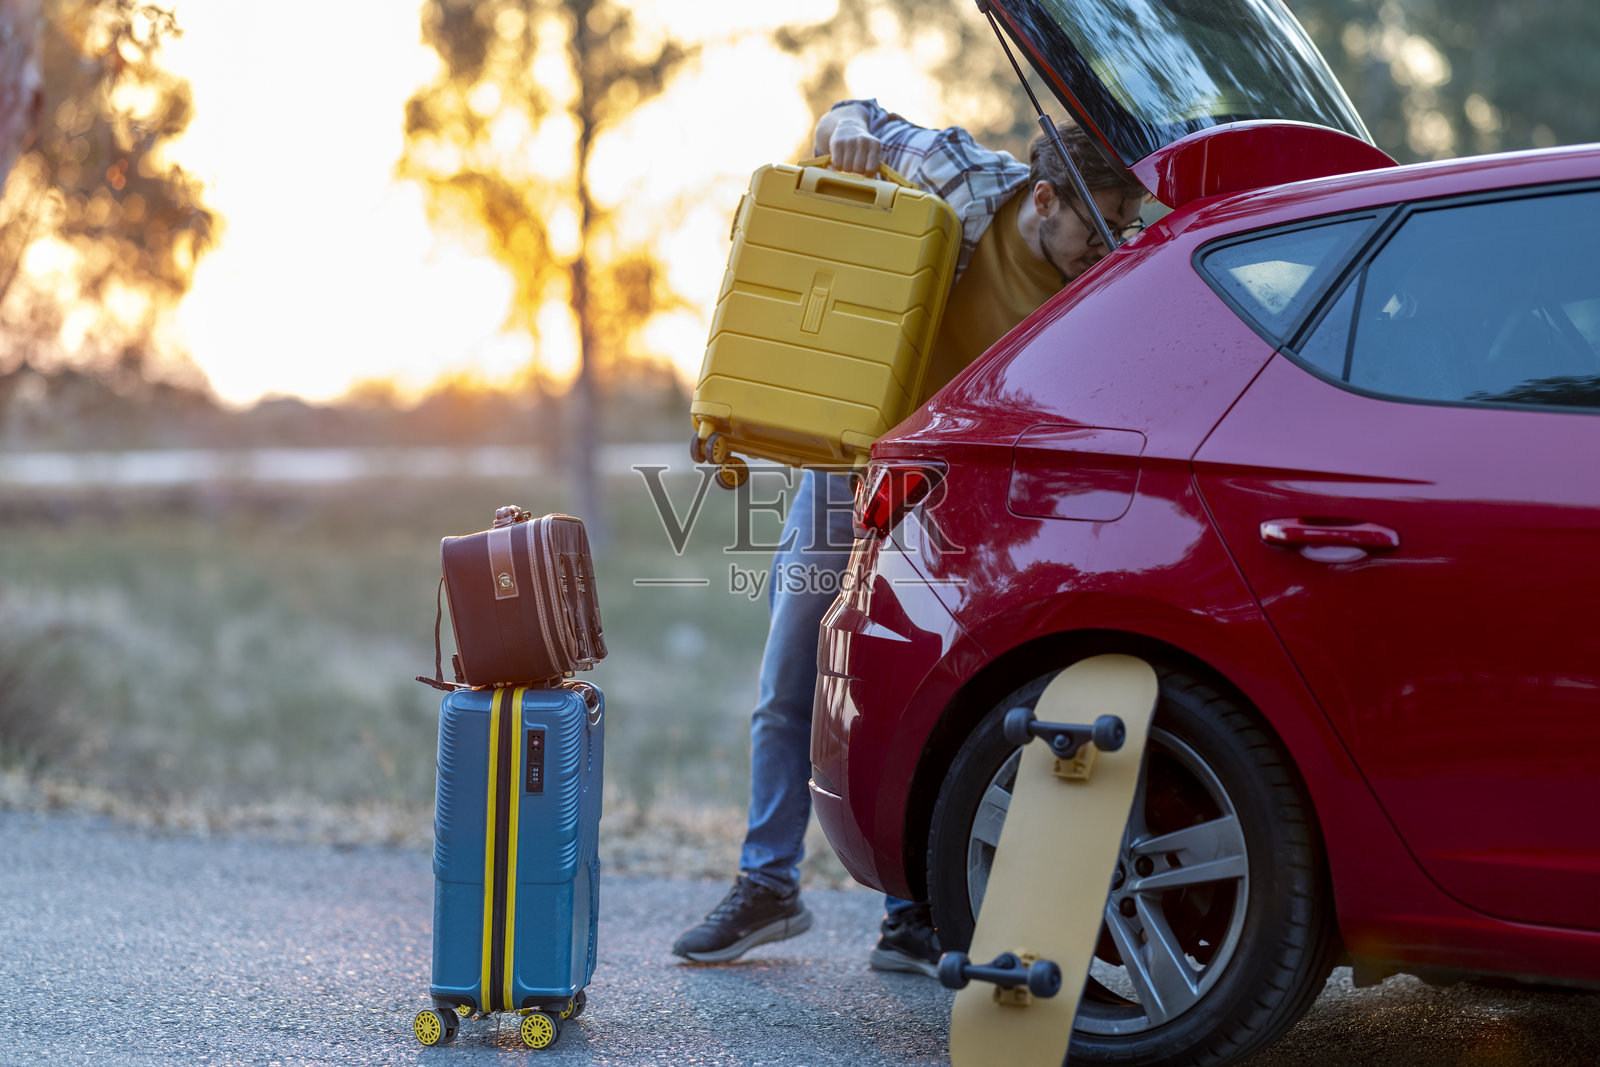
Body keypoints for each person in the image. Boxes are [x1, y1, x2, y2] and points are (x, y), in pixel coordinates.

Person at [671, 99, 1147, 974]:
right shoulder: (968, 183)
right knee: (791, 677)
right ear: (1043, 199)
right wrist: (837, 134)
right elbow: (853, 117)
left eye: (1124, 224)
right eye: (1098, 224)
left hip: (945, 498)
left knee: (921, 689)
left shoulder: (1106, 289)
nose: (1109, 245)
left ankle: (910, 916)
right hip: (851, 455)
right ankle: (768, 882)